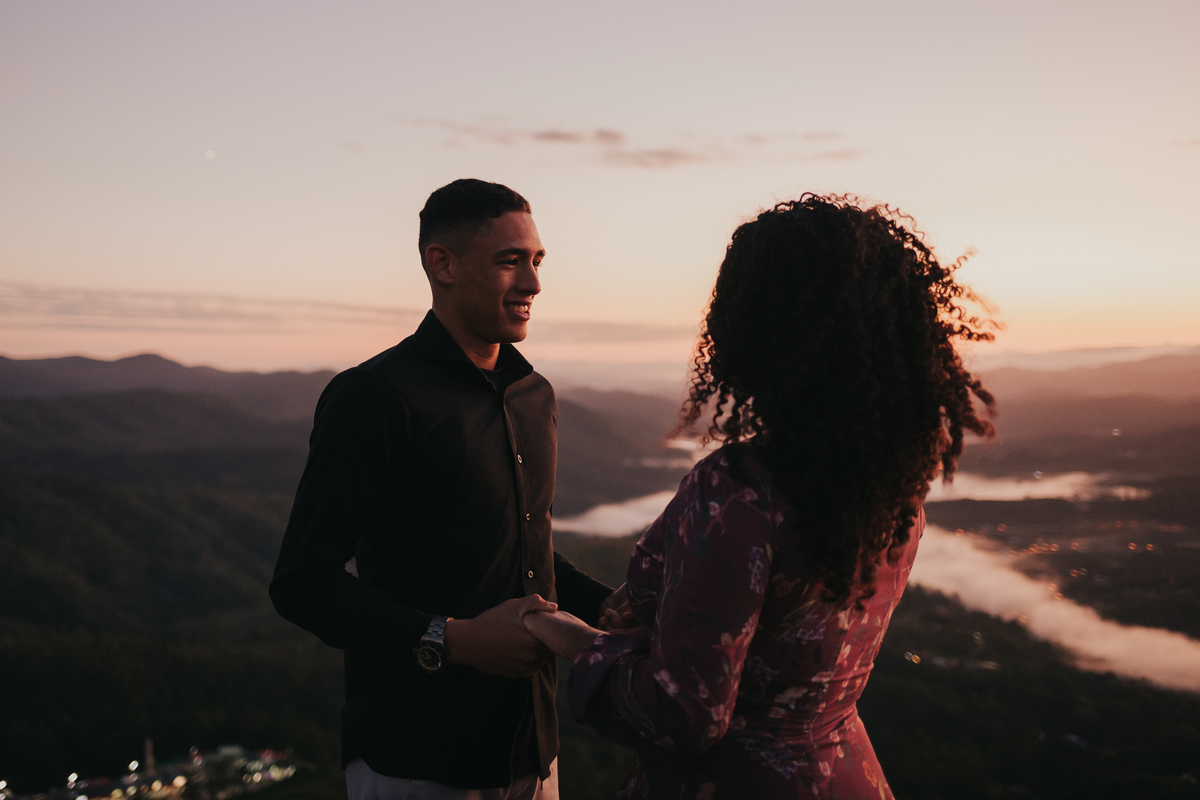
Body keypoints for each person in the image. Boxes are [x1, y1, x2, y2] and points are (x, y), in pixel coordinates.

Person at [523, 194, 996, 798]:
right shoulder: (889, 488)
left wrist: (557, 630)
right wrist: (661, 629)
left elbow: (685, 715)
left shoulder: (739, 492)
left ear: (754, 327)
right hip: (847, 774)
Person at [270, 179, 623, 799]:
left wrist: (609, 607)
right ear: (444, 265)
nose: (534, 283)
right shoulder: (374, 397)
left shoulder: (533, 396)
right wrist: (451, 640)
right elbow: (303, 582)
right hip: (417, 761)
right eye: (510, 261)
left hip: (535, 753)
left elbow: (520, 547)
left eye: (537, 261)